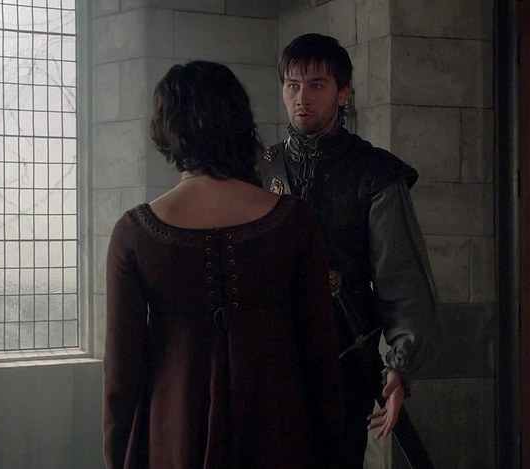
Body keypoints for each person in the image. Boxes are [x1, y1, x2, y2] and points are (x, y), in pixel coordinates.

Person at [103, 60, 343, 469]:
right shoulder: (294, 221)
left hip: (174, 429)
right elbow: (320, 353)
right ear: (240, 123)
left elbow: (121, 372)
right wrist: (331, 447)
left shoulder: (135, 232)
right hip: (278, 430)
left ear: (166, 129)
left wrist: (118, 454)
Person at [257, 33, 439, 468]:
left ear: (343, 94)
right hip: (267, 364)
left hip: (343, 362)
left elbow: (402, 278)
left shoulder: (374, 172)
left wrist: (399, 366)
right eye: (292, 85)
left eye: (316, 85)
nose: (302, 98)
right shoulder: (260, 170)